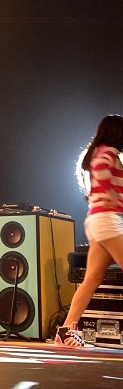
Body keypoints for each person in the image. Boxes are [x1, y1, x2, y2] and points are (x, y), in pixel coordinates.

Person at [56, 114, 123, 347]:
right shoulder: (109, 152)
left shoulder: (99, 151)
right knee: (90, 280)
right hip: (108, 221)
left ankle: (64, 331)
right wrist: (108, 191)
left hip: (97, 221)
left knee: (91, 280)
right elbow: (102, 170)